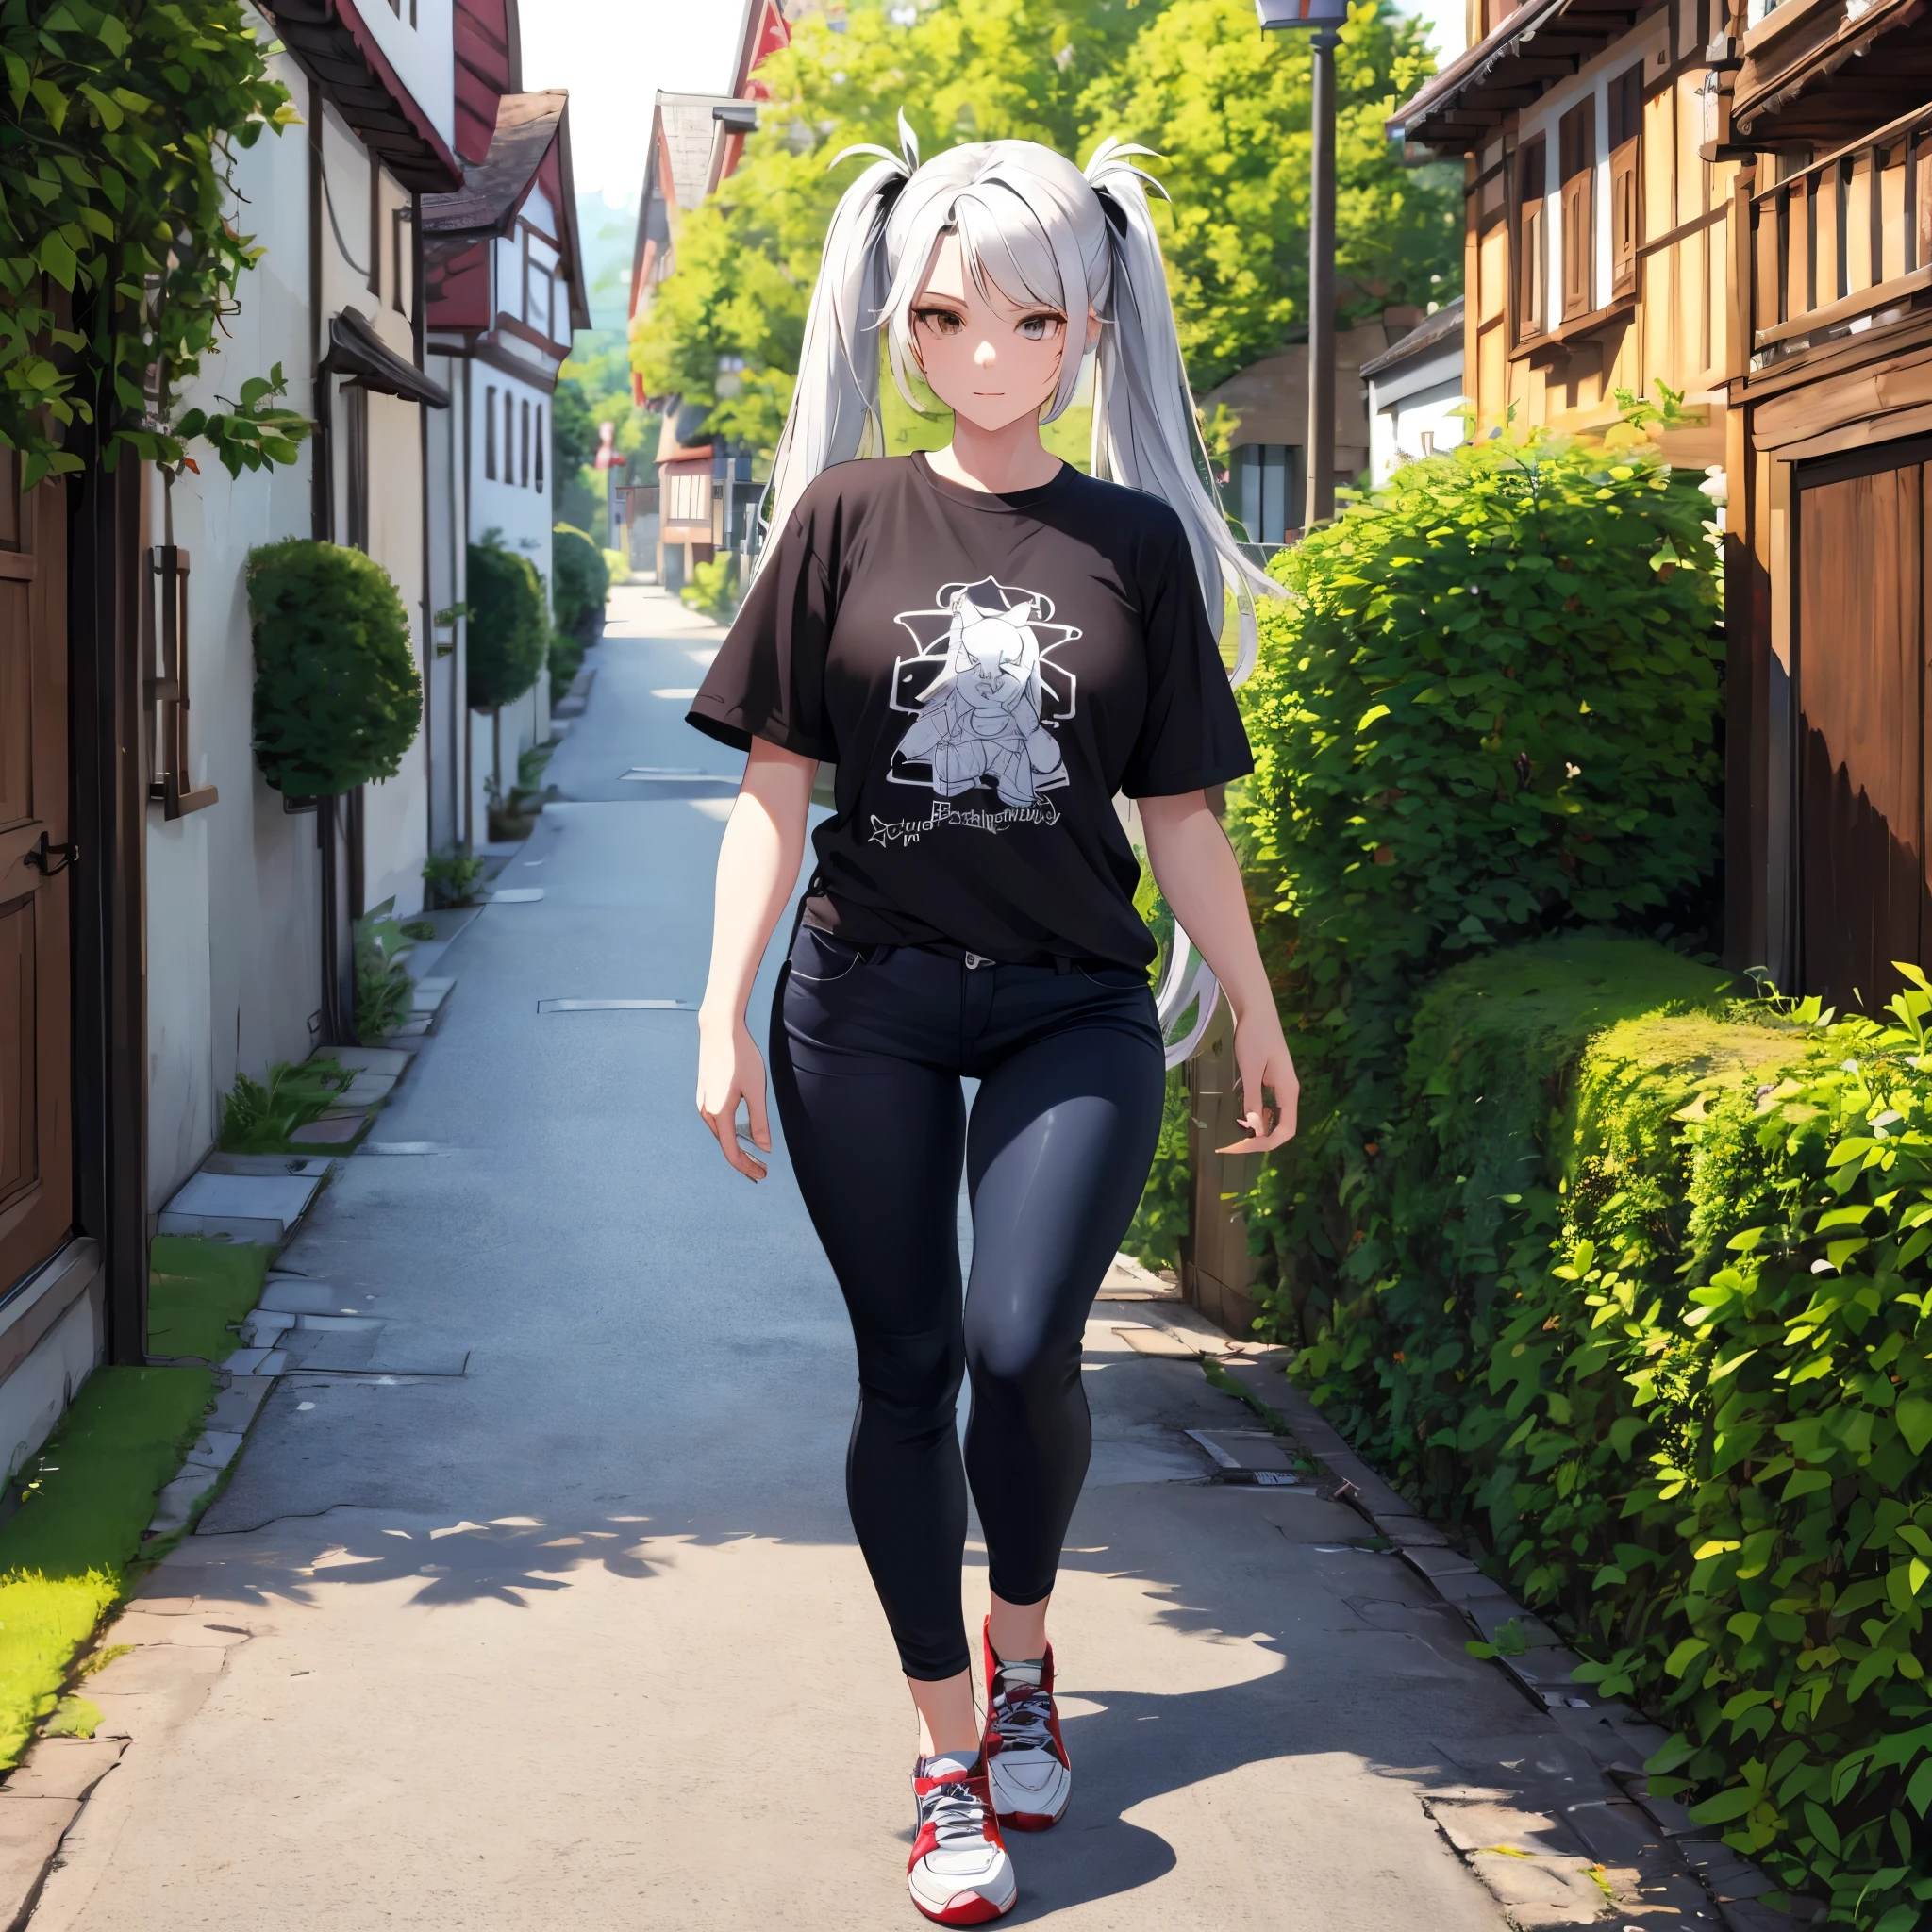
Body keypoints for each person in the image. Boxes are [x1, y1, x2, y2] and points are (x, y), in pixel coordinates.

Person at [687, 120, 1300, 1926]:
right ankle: (947, 1751)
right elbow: (771, 794)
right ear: (902, 322)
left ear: (1087, 332)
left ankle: (1021, 1645)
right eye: (949, 318)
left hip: (1070, 1010)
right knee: (908, 1372)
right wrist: (718, 1008)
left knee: (1026, 1342)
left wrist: (1252, 1013)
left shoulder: (1133, 542)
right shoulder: (846, 516)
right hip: (861, 1002)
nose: (984, 357)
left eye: (1027, 323)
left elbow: (1179, 813)